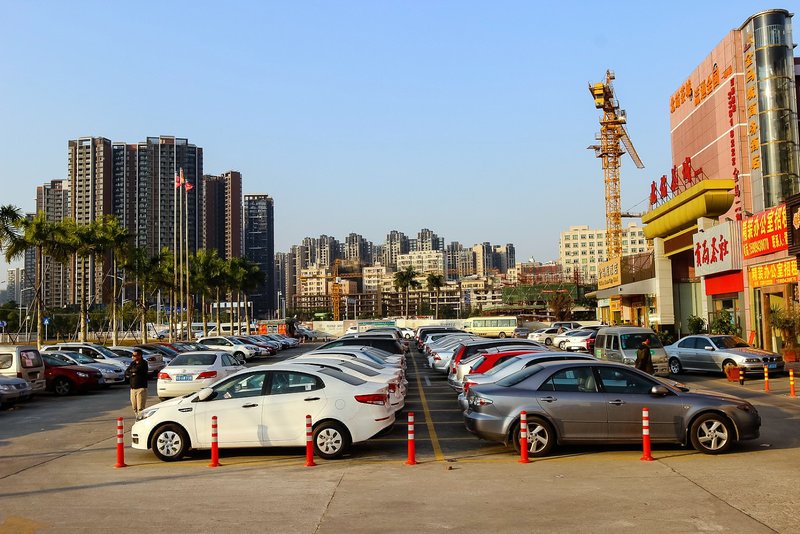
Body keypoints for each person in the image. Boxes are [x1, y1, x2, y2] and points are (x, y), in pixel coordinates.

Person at [125, 349, 149, 419]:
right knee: (134, 407)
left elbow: (137, 370)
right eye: (132, 355)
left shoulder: (144, 363)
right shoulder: (133, 363)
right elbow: (127, 372)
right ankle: (137, 417)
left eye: (134, 355)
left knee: (140, 408)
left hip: (141, 388)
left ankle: (140, 419)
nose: (133, 357)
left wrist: (133, 371)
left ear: (140, 356)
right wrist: (132, 373)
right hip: (133, 389)